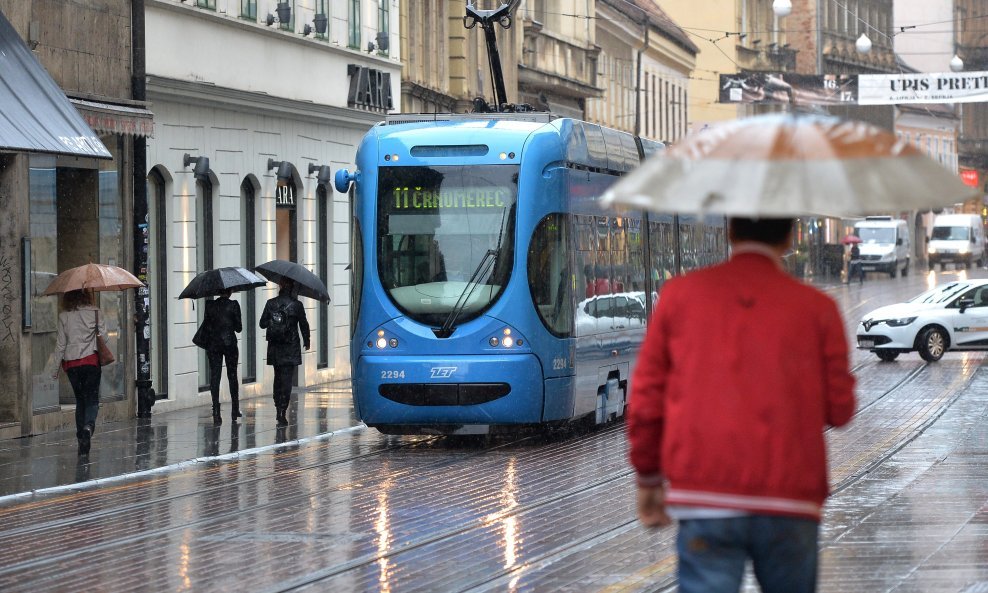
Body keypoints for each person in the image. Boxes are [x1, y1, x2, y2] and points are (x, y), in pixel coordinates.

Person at [627, 217, 856, 593]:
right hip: (790, 497)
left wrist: (649, 478)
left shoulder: (679, 296)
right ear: (790, 235)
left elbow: (646, 399)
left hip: (704, 494)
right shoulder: (818, 308)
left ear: (730, 232)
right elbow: (841, 410)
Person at [51, 289, 108, 456]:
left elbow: (60, 345)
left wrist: (54, 369)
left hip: (72, 365)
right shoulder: (96, 313)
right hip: (91, 362)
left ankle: (81, 440)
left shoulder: (64, 316)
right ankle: (88, 427)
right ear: (86, 296)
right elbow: (104, 339)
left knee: (80, 401)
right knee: (92, 399)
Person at [259, 278, 310, 426]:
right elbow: (304, 325)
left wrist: (273, 320)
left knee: (278, 377)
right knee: (287, 380)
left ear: (280, 286)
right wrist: (307, 341)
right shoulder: (297, 305)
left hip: (275, 346)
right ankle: (283, 410)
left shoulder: (271, 303)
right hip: (291, 346)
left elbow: (262, 324)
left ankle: (277, 407)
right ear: (293, 288)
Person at [194, 289, 243, 424]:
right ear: (230, 291)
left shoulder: (210, 305)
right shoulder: (234, 305)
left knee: (215, 376)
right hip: (229, 344)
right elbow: (239, 328)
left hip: (213, 345)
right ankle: (235, 409)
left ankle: (216, 410)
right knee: (232, 376)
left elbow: (207, 325)